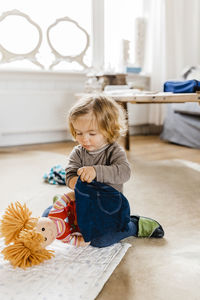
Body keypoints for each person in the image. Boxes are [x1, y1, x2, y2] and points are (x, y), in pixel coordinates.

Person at [43, 95, 164, 247]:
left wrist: (96, 171)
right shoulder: (78, 152)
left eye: (92, 134)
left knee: (100, 241)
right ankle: (67, 215)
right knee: (47, 216)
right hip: (82, 205)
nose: (84, 139)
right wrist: (74, 183)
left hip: (107, 211)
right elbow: (70, 174)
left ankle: (133, 225)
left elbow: (124, 172)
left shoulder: (114, 151)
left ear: (109, 130)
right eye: (79, 133)